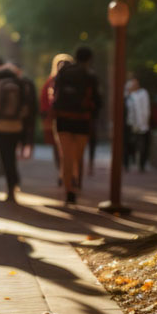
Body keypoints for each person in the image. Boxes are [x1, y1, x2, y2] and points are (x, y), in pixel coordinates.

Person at [52, 46, 102, 205]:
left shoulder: (63, 73)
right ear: (89, 59)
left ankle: (69, 190)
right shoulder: (90, 75)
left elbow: (56, 94)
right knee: (77, 156)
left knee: (66, 155)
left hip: (63, 119)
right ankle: (75, 179)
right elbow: (98, 100)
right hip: (82, 120)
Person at [0, 64, 38, 202]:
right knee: (12, 155)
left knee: (5, 156)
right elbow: (29, 107)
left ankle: (10, 186)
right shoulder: (20, 84)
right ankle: (14, 181)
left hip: (0, 126)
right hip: (17, 126)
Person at [41, 54, 75, 185]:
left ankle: (65, 175)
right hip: (72, 118)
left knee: (61, 150)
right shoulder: (53, 80)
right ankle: (68, 174)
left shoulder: (52, 80)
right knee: (68, 150)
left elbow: (45, 101)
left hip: (58, 118)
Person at [125, 75, 152, 172]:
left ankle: (141, 165)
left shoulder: (143, 93)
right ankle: (128, 164)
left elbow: (146, 109)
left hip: (142, 124)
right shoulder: (127, 95)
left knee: (143, 146)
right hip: (130, 124)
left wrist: (145, 122)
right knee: (129, 145)